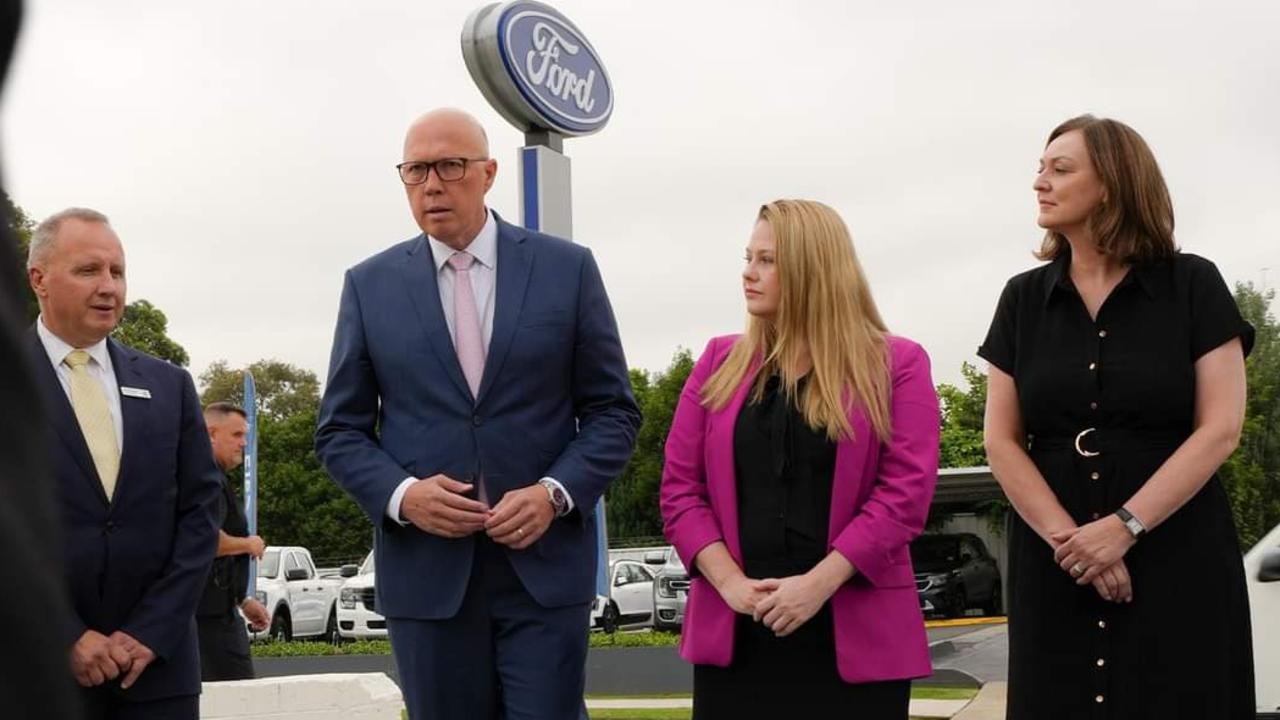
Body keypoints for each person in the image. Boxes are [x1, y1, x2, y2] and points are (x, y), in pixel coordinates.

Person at [315, 108, 641, 720]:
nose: (432, 184)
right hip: (428, 580)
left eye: (450, 166)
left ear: (488, 173)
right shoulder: (369, 285)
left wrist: (554, 494)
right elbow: (339, 431)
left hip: (543, 576)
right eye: (415, 171)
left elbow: (612, 413)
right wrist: (403, 494)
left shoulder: (566, 269)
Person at [979, 115, 1256, 718]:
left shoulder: (1194, 285)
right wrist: (1074, 545)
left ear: (1113, 183)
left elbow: (1222, 427)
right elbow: (1001, 441)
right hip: (1055, 559)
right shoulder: (1021, 298)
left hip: (1176, 548)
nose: (1039, 182)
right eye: (1040, 167)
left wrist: (1123, 527)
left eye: (1060, 168)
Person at [660, 199, 940, 719]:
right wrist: (732, 586)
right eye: (748, 257)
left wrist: (817, 585)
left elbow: (904, 495)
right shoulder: (718, 362)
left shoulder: (897, 364)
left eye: (767, 260)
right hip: (739, 630)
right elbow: (680, 491)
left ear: (813, 269)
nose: (748, 272)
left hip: (852, 630)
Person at [26, 208, 222, 719]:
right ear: (38, 279)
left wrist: (151, 632)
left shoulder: (169, 385)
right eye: (89, 270)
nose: (109, 286)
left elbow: (201, 515)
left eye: (117, 271)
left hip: (157, 674)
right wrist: (62, 635)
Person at [196, 402, 271, 681]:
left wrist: (242, 600)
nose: (243, 444)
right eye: (237, 435)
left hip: (214, 612)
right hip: (207, 621)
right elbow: (203, 540)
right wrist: (248, 544)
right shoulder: (206, 480)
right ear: (212, 434)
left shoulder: (211, 477)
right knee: (240, 699)